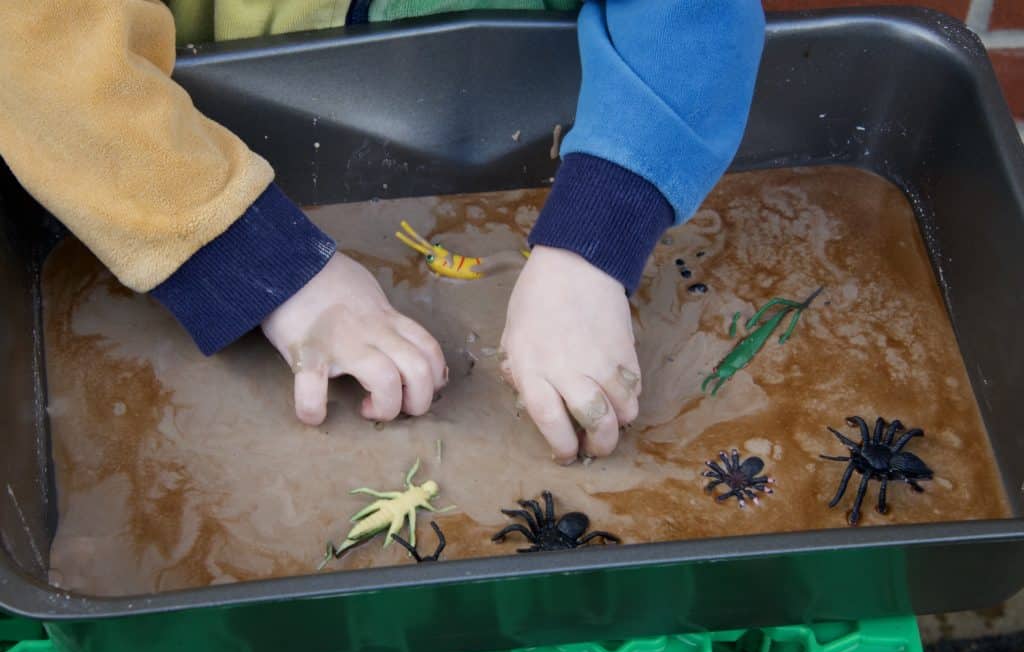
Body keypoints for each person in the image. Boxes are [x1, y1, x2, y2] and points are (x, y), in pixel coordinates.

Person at [0, 0, 764, 464]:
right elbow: (33, 46)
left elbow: (693, 18)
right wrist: (255, 259)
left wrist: (594, 245)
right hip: (174, 156)